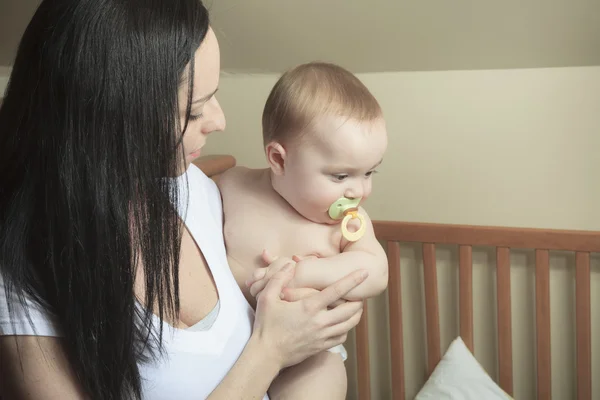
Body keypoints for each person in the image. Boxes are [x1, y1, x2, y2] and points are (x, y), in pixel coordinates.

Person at [0, 1, 369, 399]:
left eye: (214, 95)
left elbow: (311, 330)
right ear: (108, 118)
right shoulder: (25, 276)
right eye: (193, 112)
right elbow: (277, 344)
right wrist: (271, 351)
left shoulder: (201, 189)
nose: (219, 121)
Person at [218, 62, 389, 399]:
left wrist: (300, 274)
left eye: (369, 173)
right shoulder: (232, 186)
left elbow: (375, 270)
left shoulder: (347, 224)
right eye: (340, 176)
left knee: (319, 381)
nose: (358, 191)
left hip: (307, 354)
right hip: (235, 344)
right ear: (279, 160)